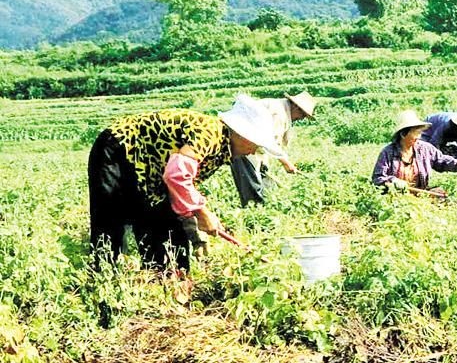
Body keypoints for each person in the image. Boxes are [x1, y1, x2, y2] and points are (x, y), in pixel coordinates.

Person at [89, 100, 284, 271]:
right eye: (256, 144)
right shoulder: (211, 133)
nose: (253, 151)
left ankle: (166, 285)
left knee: (169, 236)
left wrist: (197, 234)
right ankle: (104, 284)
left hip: (151, 172)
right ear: (243, 135)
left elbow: (179, 189)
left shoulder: (221, 148)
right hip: (118, 149)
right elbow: (177, 175)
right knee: (110, 222)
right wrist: (202, 212)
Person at [230, 91, 315, 205]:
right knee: (252, 184)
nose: (301, 119)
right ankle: (254, 213)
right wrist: (286, 163)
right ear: (296, 107)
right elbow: (269, 142)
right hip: (242, 144)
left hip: (249, 145)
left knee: (261, 178)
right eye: (303, 115)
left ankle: (263, 206)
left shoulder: (280, 108)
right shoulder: (279, 113)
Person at [371, 110, 457, 195]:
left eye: (420, 133)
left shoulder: (425, 149)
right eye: (416, 133)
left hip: (421, 194)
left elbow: (441, 160)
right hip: (396, 198)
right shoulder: (388, 153)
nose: (419, 137)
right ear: (403, 134)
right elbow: (377, 178)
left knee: (442, 193)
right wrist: (393, 181)